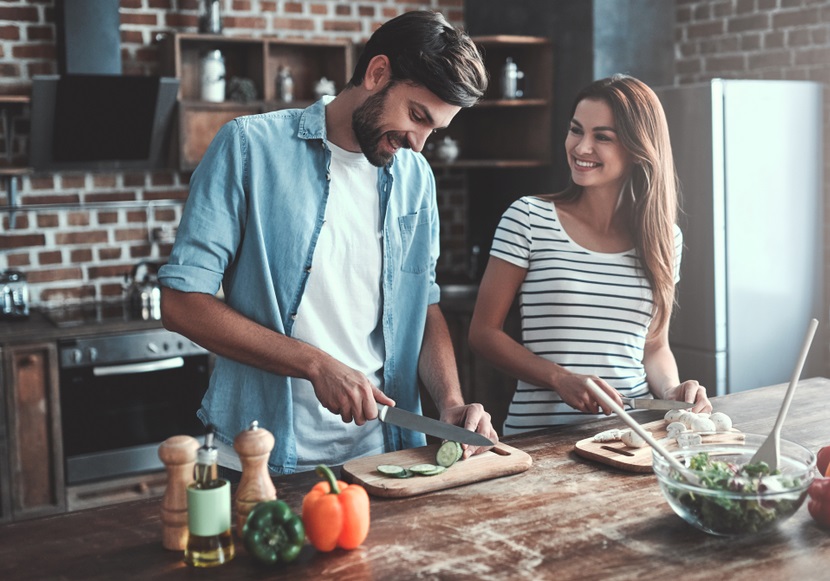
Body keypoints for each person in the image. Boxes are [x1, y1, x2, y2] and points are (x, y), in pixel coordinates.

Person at [158, 10, 498, 475]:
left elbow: (425, 304)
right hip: (262, 457)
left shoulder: (415, 177)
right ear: (378, 73)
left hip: (385, 456)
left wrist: (451, 403)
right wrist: (316, 364)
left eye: (433, 130)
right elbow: (181, 303)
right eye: (417, 116)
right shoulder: (248, 148)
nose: (419, 144)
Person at [468, 74, 712, 435]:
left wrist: (671, 392)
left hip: (631, 436)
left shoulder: (664, 238)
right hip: (540, 438)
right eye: (576, 130)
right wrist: (559, 378)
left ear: (636, 148)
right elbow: (483, 333)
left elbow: (654, 347)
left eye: (602, 137)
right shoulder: (528, 218)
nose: (581, 148)